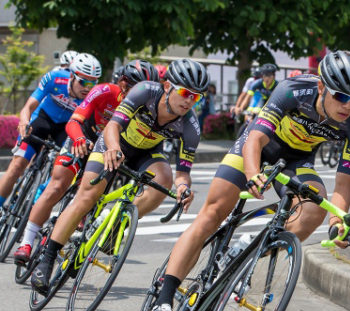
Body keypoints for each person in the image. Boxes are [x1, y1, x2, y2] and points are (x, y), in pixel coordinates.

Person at [149, 50, 350, 311]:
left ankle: (247, 251)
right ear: (321, 87)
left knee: (315, 209)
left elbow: (343, 184)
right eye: (341, 96)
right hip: (256, 147)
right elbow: (255, 137)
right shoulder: (293, 91)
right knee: (213, 213)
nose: (349, 105)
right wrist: (253, 174)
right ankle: (164, 298)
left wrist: (337, 221)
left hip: (296, 160)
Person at [31, 58, 210, 295]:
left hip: (146, 152)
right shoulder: (145, 91)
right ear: (167, 86)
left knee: (164, 178)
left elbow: (183, 173)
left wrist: (183, 188)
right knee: (87, 197)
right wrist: (113, 149)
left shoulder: (190, 126)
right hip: (114, 141)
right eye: (186, 92)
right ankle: (47, 257)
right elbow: (113, 125)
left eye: (196, 97)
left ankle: (117, 226)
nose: (189, 101)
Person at [13, 60, 155, 265]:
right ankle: (26, 242)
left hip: (104, 151)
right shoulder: (104, 91)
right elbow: (74, 121)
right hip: (82, 138)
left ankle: (63, 230)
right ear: (124, 83)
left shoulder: (145, 111)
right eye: (139, 89)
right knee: (56, 186)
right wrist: (79, 138)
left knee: (88, 199)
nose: (144, 96)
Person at [0, 53, 101, 210]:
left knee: (68, 165)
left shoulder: (92, 97)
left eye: (92, 84)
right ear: (72, 76)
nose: (87, 88)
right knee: (17, 166)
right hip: (42, 120)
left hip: (65, 127)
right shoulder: (55, 78)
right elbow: (28, 107)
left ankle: (41, 190)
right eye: (83, 82)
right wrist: (24, 121)